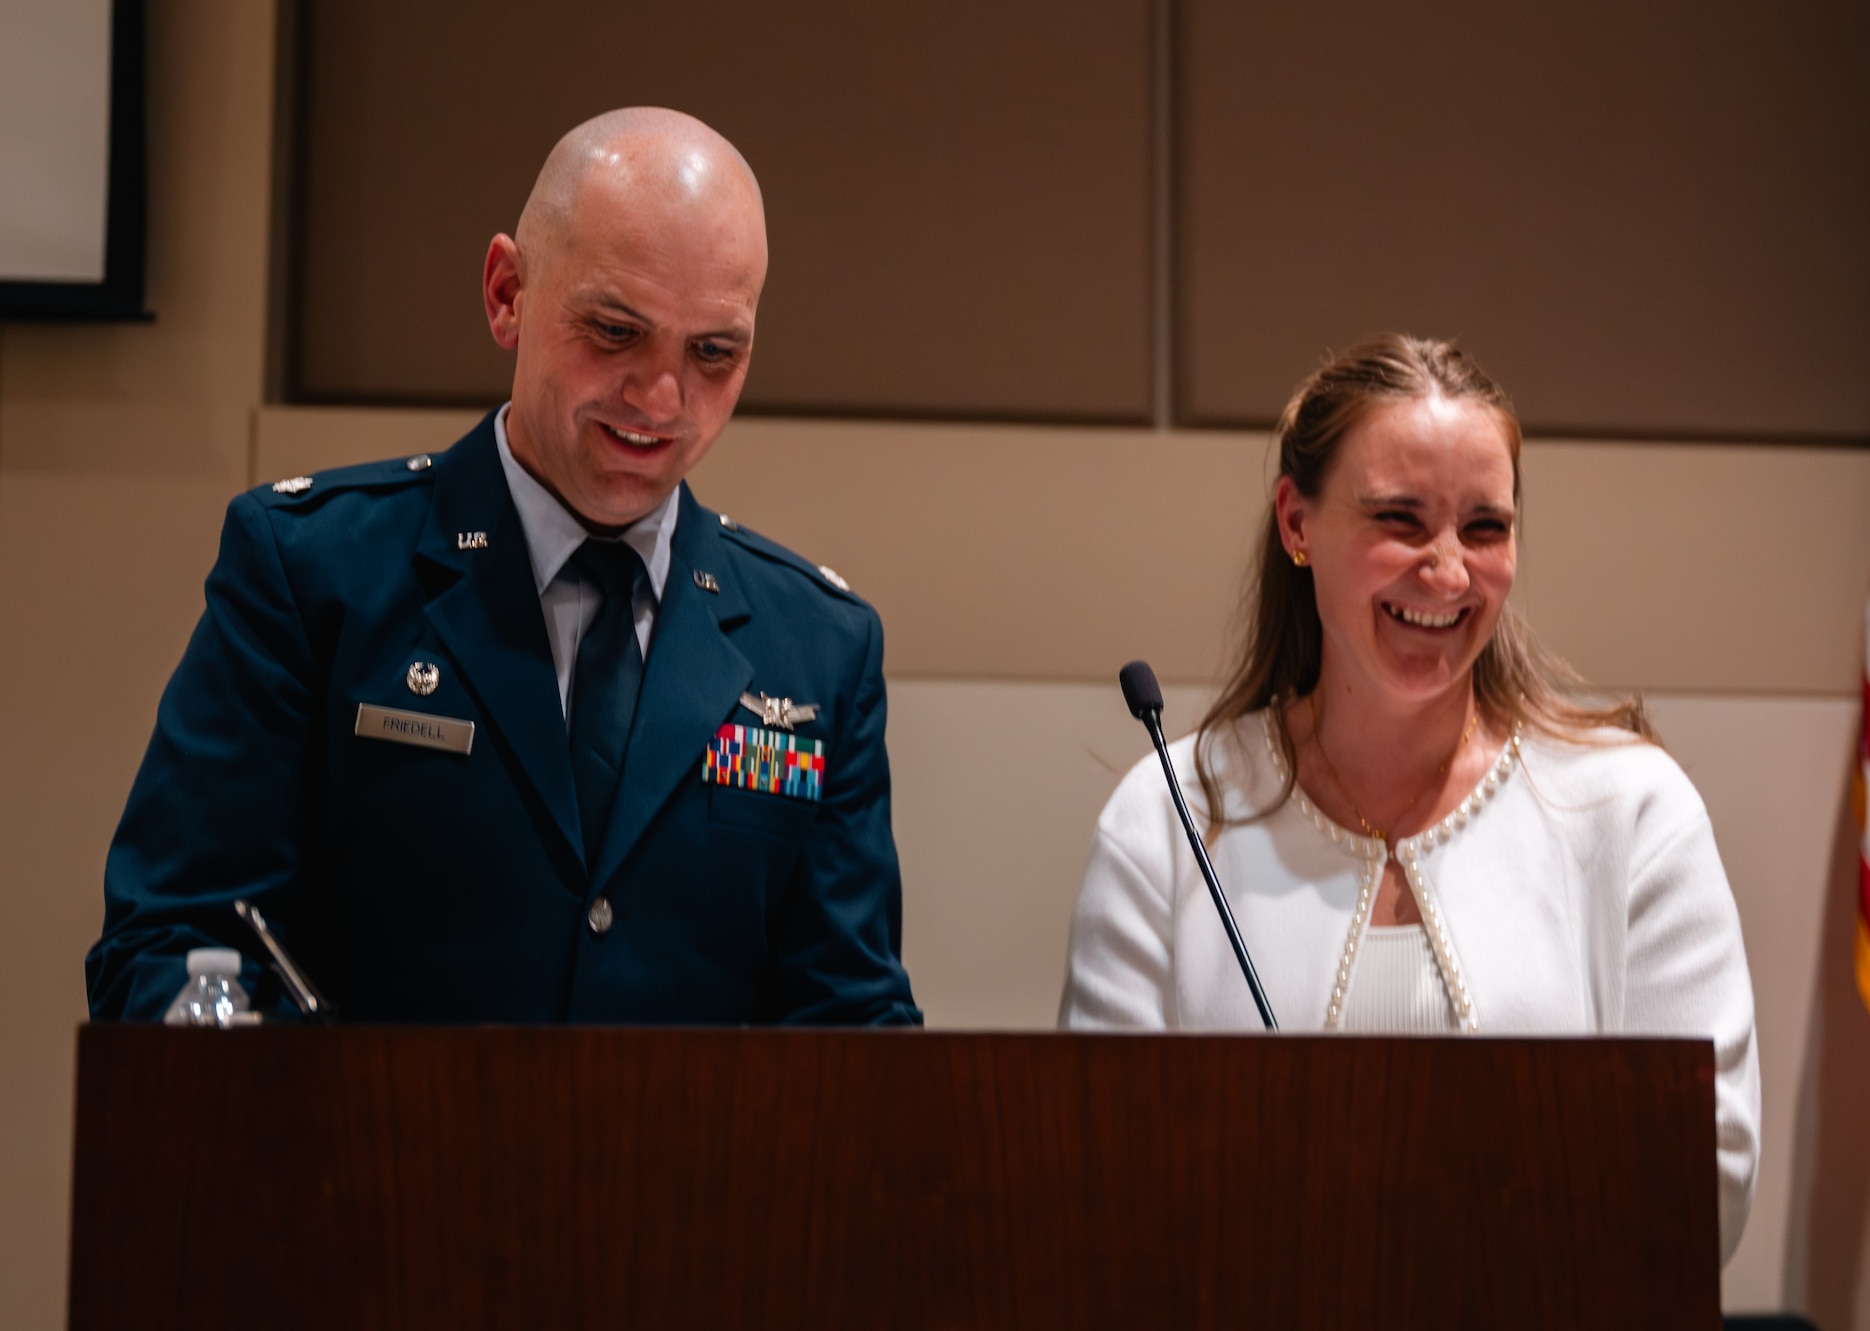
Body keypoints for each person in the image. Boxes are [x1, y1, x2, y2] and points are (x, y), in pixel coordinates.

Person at [87, 109, 920, 1026]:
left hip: (688, 1171)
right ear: (507, 294)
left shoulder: (818, 651)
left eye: (713, 352)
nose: (662, 397)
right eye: (614, 331)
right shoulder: (313, 573)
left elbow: (851, 1024)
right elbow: (170, 945)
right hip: (367, 1162)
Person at [1059, 335, 1757, 1258]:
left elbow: (1707, 1179)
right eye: (1400, 518)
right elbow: (1097, 1181)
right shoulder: (1167, 815)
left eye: (1484, 527)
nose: (1448, 571)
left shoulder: (1632, 810)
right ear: (1296, 523)